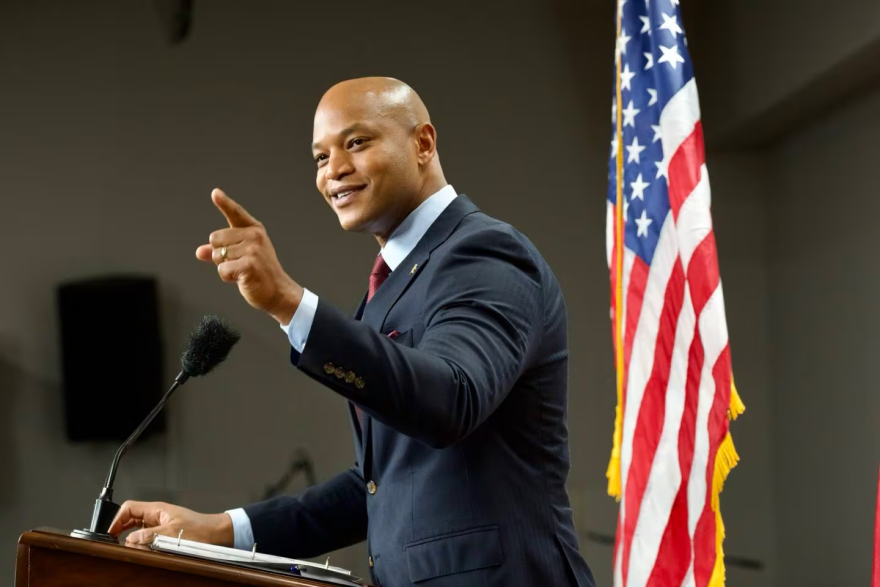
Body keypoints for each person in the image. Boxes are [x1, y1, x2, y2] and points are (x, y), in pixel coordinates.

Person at [109, 77, 596, 587]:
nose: (334, 170)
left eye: (356, 143)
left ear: (423, 143)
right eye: (320, 157)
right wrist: (223, 530)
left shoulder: (486, 253)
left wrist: (287, 301)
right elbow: (379, 486)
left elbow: (452, 399)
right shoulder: (390, 287)